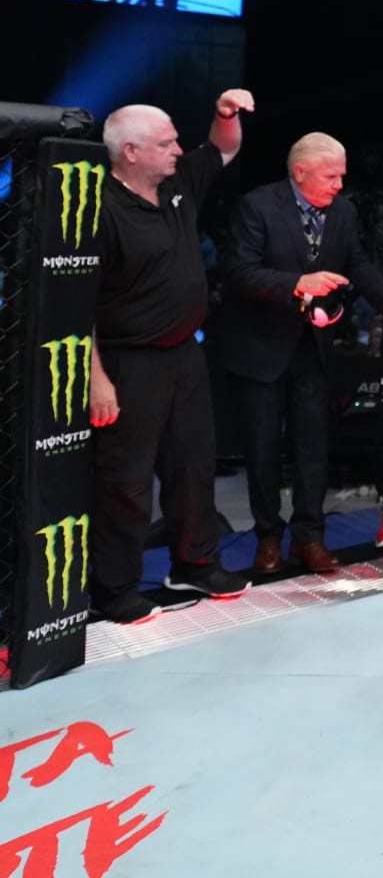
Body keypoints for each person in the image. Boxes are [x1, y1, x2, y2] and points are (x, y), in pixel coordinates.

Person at [86, 92, 259, 624]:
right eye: (167, 143)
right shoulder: (100, 209)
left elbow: (221, 149)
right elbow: (78, 306)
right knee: (127, 478)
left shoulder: (177, 182)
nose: (179, 150)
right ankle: (113, 588)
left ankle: (194, 561)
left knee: (193, 465)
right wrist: (96, 379)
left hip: (184, 354)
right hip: (125, 361)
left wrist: (225, 114)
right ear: (131, 151)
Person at [209, 132, 383, 575]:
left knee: (314, 446)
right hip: (260, 346)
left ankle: (310, 538)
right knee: (261, 447)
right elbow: (239, 272)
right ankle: (268, 538)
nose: (339, 184)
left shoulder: (345, 212)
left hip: (313, 348)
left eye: (342, 176)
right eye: (332, 176)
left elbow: (357, 264)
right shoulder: (257, 206)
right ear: (300, 173)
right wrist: (298, 284)